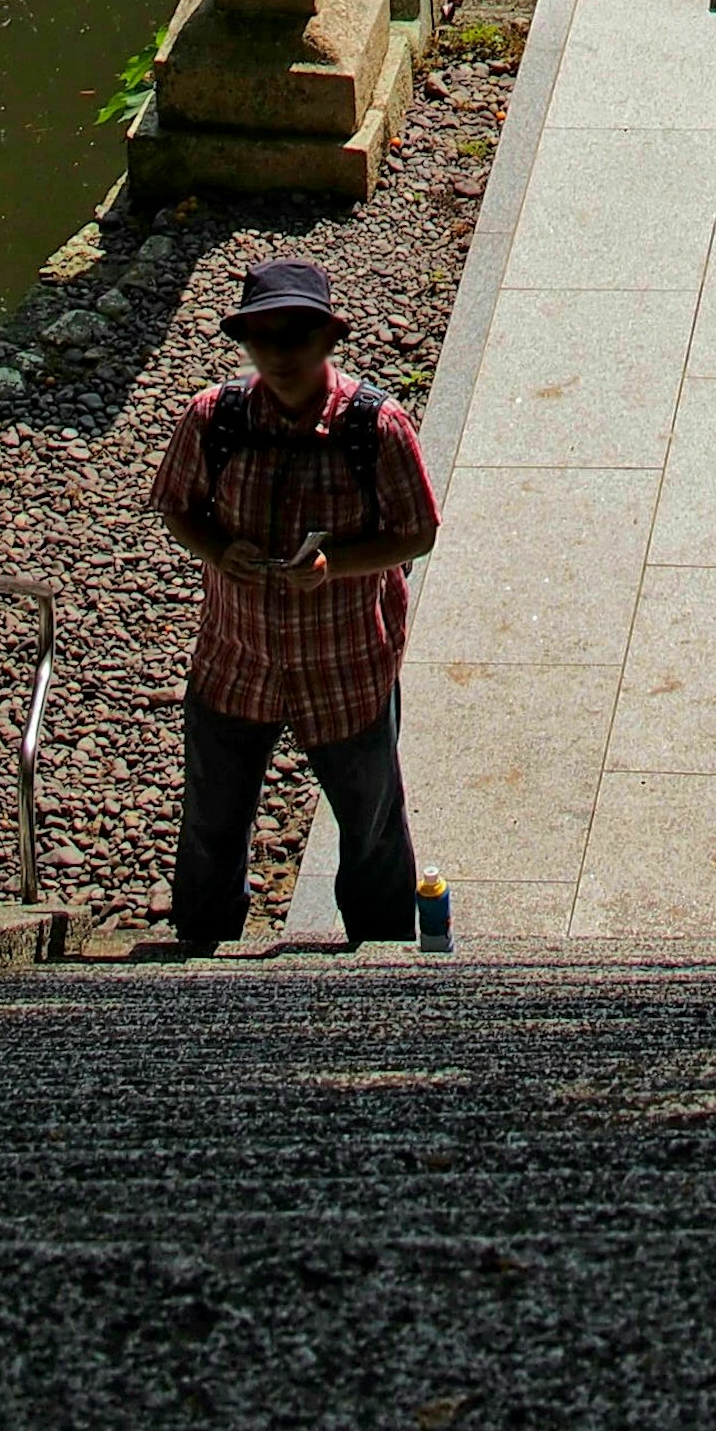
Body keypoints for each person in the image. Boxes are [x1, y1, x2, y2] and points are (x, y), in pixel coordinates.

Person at [149, 248, 441, 954]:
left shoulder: (376, 427)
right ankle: (199, 950)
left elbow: (418, 532)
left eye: (297, 336)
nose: (279, 355)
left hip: (345, 668)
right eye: (263, 338)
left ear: (329, 340)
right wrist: (220, 551)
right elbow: (177, 505)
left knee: (370, 824)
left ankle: (381, 953)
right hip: (235, 662)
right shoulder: (213, 419)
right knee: (213, 821)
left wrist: (335, 563)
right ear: (244, 344)